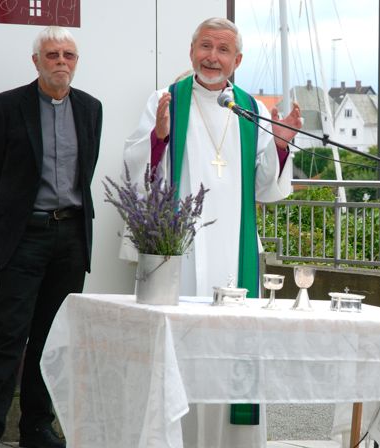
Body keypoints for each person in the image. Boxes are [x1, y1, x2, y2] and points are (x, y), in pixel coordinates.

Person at [122, 17, 301, 448]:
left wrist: (279, 144)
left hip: (234, 249)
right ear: (191, 51)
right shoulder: (166, 100)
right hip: (178, 250)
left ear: (237, 60)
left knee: (234, 346)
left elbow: (266, 187)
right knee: (181, 349)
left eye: (223, 50)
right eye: (206, 46)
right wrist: (159, 138)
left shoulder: (251, 109)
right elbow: (136, 168)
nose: (212, 57)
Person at [0, 26, 102, 448]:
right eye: (52, 55)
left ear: (76, 61)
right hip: (26, 236)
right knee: (9, 335)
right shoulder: (7, 107)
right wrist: (11, 223)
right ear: (36, 61)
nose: (61, 62)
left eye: (68, 55)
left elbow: (88, 168)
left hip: (72, 237)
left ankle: (36, 427)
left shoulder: (91, 108)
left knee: (52, 338)